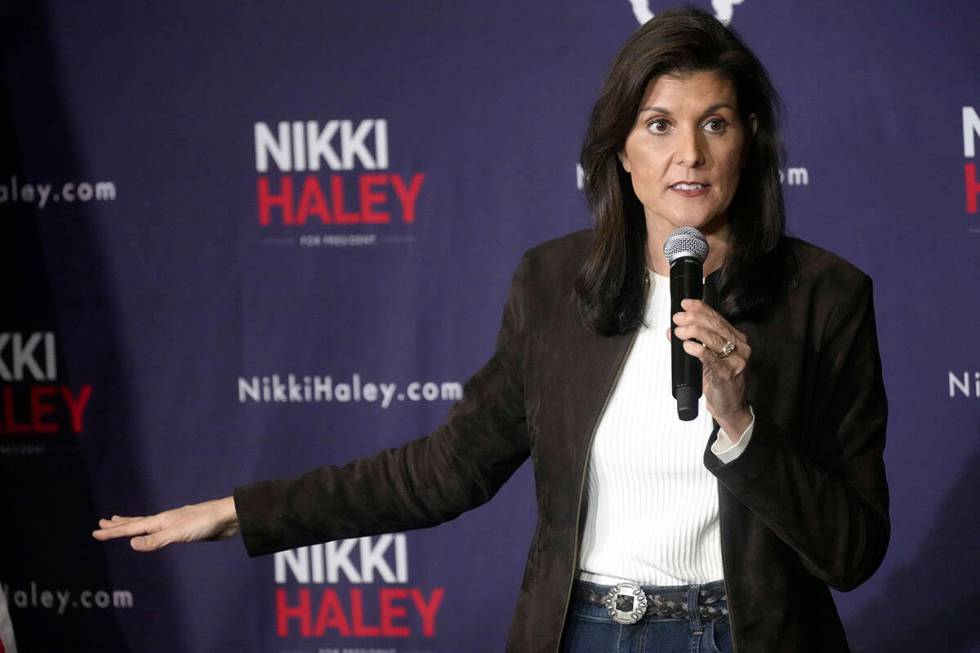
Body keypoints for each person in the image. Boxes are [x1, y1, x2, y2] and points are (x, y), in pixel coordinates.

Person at [93, 8, 889, 652]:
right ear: (619, 149)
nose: (689, 153)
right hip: (588, 633)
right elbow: (443, 470)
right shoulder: (553, 287)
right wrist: (242, 510)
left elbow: (851, 551)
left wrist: (743, 426)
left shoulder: (825, 298)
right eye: (658, 124)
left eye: (714, 123)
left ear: (747, 140)